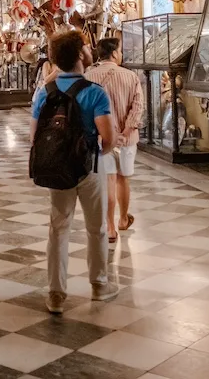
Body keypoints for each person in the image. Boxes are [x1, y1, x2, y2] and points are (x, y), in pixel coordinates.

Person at [31, 30, 118, 313]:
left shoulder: (45, 93)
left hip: (58, 169)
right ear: (81, 54)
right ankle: (99, 285)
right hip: (89, 169)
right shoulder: (94, 92)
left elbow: (34, 137)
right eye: (86, 47)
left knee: (58, 229)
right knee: (97, 228)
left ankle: (56, 294)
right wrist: (92, 155)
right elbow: (108, 138)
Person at [86, 37, 145, 243]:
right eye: (120, 51)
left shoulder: (88, 76)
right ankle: (122, 219)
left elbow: (86, 109)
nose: (121, 55)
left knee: (108, 179)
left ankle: (110, 227)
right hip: (126, 140)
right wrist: (126, 131)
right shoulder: (130, 76)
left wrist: (104, 134)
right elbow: (137, 107)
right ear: (113, 53)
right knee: (123, 178)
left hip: (100, 140)